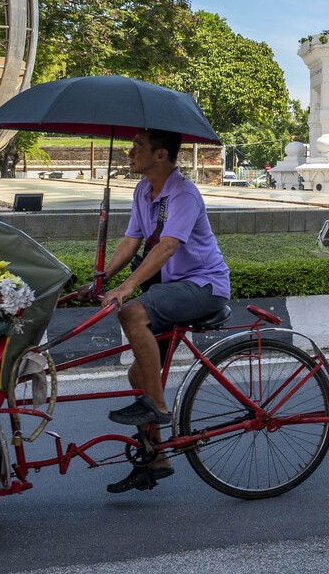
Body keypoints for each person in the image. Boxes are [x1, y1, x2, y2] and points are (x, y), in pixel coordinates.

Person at [85, 128, 231, 494]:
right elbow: (132, 239)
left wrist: (126, 288)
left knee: (131, 312)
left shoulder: (183, 195)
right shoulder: (142, 191)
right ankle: (156, 458)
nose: (130, 152)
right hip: (167, 289)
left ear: (161, 155)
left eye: (138, 147)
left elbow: (166, 247)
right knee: (139, 375)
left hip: (202, 286)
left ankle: (157, 403)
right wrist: (101, 279)